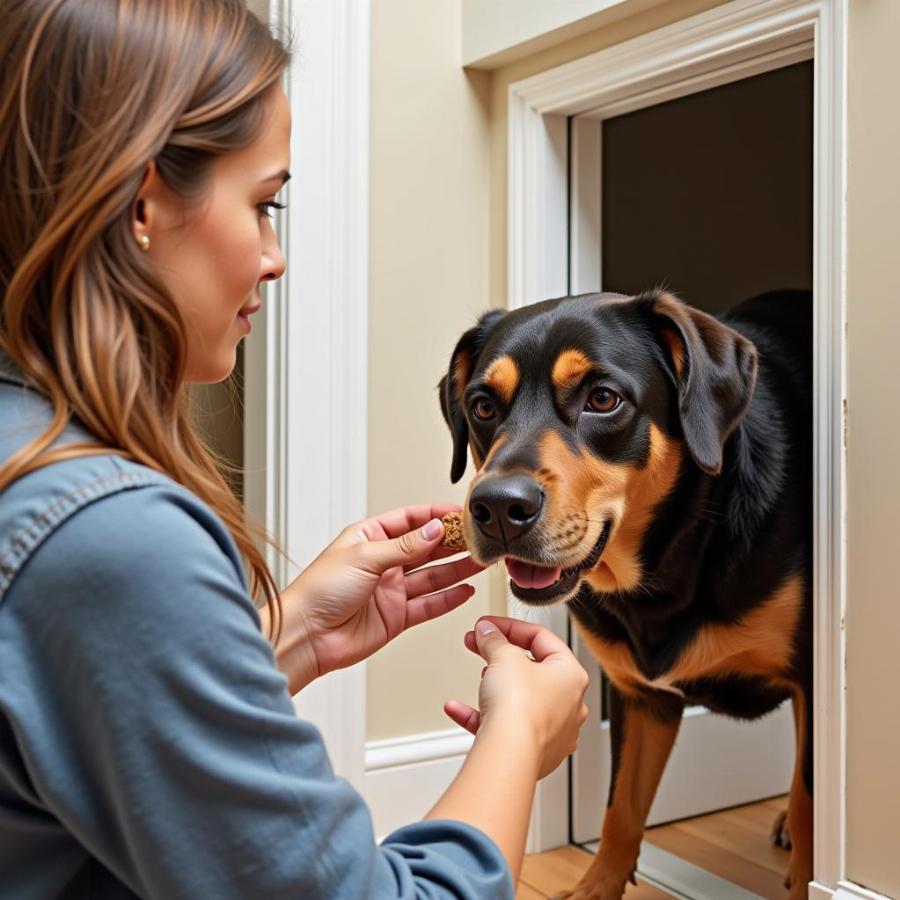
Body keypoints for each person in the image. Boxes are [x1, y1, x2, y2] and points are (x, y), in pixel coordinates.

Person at [0, 2, 591, 898]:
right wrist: (520, 736)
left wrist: (290, 633)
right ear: (144, 199)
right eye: (264, 203)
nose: (275, 257)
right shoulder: (106, 533)